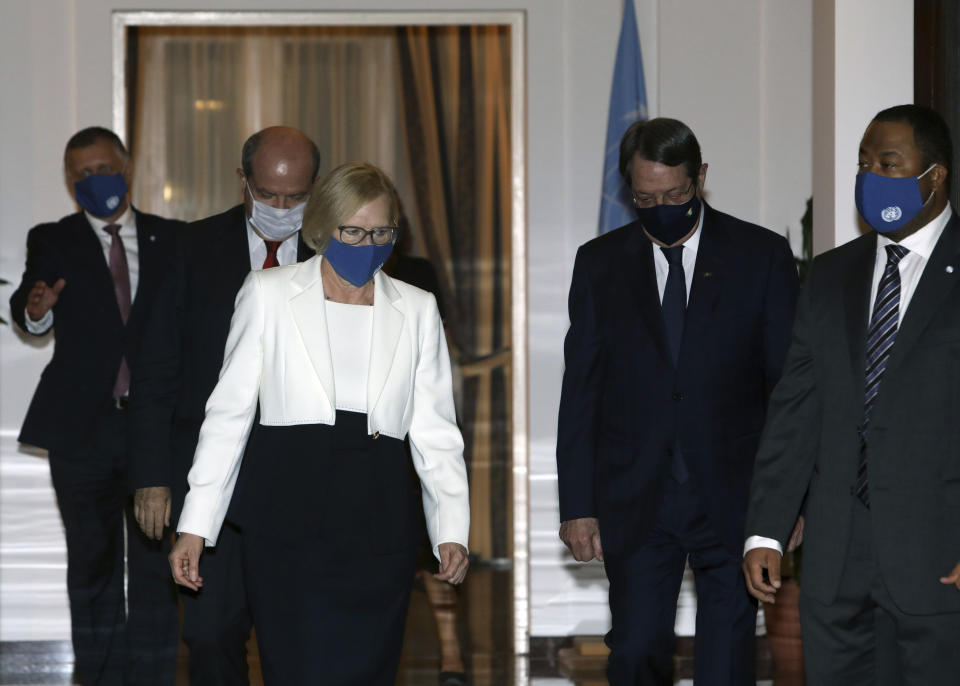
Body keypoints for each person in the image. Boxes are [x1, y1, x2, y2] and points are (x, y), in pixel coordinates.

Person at [169, 161, 471, 684]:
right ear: (322, 228)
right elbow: (228, 415)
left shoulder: (417, 308)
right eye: (353, 231)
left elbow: (436, 431)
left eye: (380, 232)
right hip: (287, 519)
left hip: (379, 522)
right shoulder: (268, 293)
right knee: (298, 668)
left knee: (368, 669)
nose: (367, 243)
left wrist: (451, 529)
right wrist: (196, 526)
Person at [556, 117, 799, 685]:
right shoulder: (599, 264)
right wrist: (577, 503)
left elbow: (788, 388)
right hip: (637, 496)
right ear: (627, 189)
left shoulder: (759, 256)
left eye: (675, 194)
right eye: (645, 197)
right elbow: (581, 391)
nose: (661, 206)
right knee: (636, 650)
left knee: (726, 659)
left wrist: (791, 502)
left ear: (701, 178)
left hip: (735, 496)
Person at [743, 104, 960, 683]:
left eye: (890, 164)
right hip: (838, 558)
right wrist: (767, 528)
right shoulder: (833, 274)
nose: (871, 177)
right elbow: (796, 407)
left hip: (939, 554)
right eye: (864, 163)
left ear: (934, 176)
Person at [127, 126, 319, 684]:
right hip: (209, 482)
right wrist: (151, 476)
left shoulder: (339, 254)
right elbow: (155, 369)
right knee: (210, 636)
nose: (282, 209)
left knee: (298, 636)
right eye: (270, 194)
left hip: (302, 482)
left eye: (296, 197)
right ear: (243, 183)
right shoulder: (191, 250)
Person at [9, 127, 182, 685]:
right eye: (81, 175)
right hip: (83, 433)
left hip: (155, 431)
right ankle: (101, 678)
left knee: (157, 565)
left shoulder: (172, 239)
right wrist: (37, 308)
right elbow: (28, 305)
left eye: (103, 168)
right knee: (92, 566)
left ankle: (154, 676)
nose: (94, 181)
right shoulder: (54, 238)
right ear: (68, 180)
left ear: (127, 167)